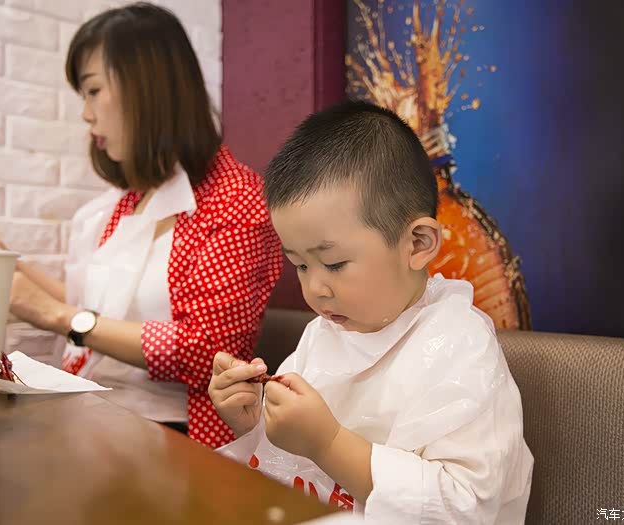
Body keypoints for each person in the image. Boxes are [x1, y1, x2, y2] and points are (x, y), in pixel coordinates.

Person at [0, 2, 282, 448]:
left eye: (92, 91)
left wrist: (57, 316)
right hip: (96, 411)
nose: (86, 115)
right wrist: (6, 260)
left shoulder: (236, 198)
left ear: (147, 86)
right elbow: (91, 310)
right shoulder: (130, 201)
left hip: (179, 435)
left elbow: (208, 350)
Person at [208, 100, 533, 522]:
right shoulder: (324, 334)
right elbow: (293, 470)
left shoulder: (460, 347)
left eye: (334, 264)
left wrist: (328, 443)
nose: (314, 289)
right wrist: (253, 422)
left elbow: (462, 506)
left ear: (417, 244)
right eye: (301, 266)